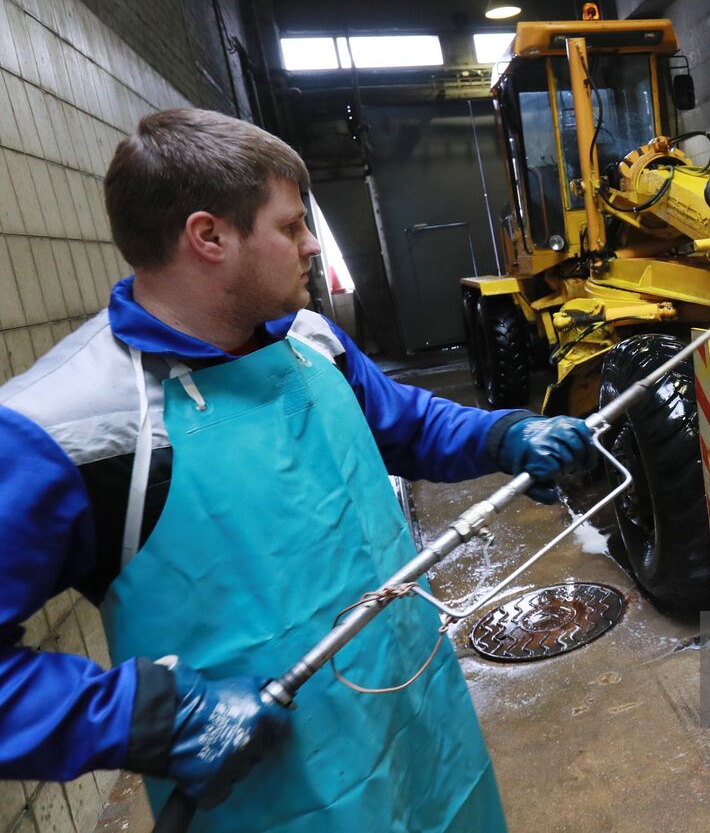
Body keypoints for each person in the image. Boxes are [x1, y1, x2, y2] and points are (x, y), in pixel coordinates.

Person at [0, 108, 595, 830]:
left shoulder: (312, 342)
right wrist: (155, 716)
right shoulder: (68, 426)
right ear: (208, 236)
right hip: (276, 791)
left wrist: (507, 434)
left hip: (421, 731)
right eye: (290, 226)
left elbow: (405, 422)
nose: (312, 245)